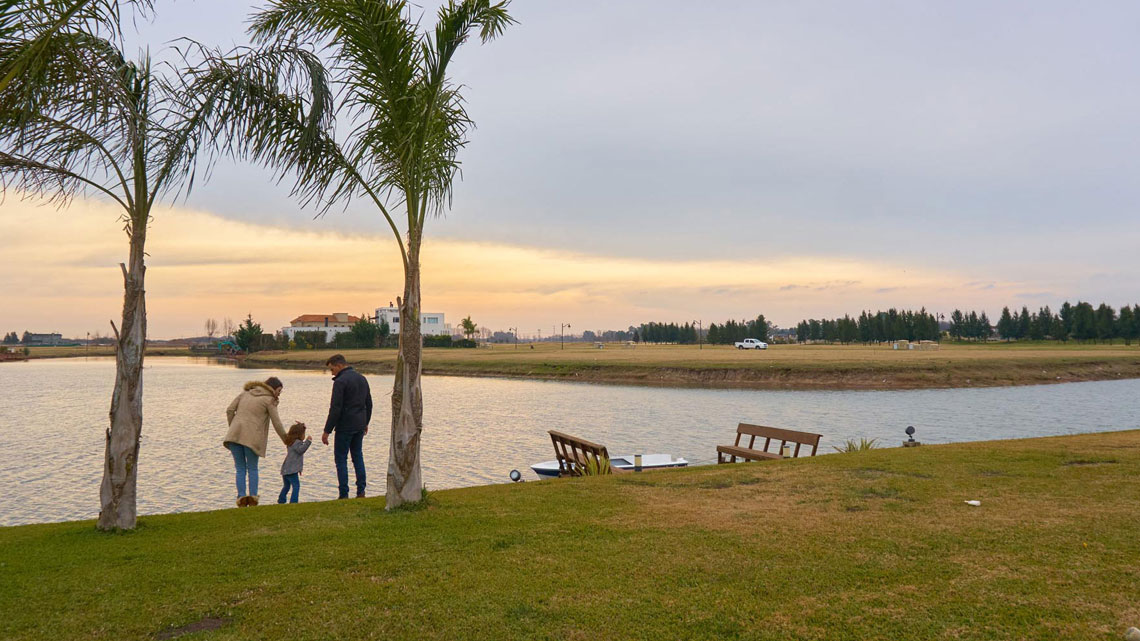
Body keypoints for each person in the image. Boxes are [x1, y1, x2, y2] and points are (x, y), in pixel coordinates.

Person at [223, 377, 288, 507]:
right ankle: (253, 498)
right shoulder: (269, 400)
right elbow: (277, 422)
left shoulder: (245, 393)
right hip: (252, 438)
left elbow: (229, 410)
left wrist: (233, 426)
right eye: (279, 391)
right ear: (273, 388)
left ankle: (241, 498)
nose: (279, 394)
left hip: (234, 435)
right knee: (252, 468)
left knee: (240, 469)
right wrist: (286, 440)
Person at [322, 354, 372, 499]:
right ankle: (361, 491)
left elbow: (335, 408)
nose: (331, 373)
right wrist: (365, 423)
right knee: (358, 457)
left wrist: (327, 431)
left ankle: (343, 493)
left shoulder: (340, 382)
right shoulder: (362, 378)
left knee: (341, 459)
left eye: (332, 369)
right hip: (359, 425)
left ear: (338, 365)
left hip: (344, 426)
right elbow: (368, 403)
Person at [278, 422, 312, 504]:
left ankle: (281, 500)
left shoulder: (290, 442)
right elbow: (301, 450)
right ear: (300, 434)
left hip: (286, 469)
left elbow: (295, 458)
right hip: (291, 470)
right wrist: (308, 441)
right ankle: (293, 502)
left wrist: (299, 469)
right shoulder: (297, 443)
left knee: (286, 486)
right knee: (296, 486)